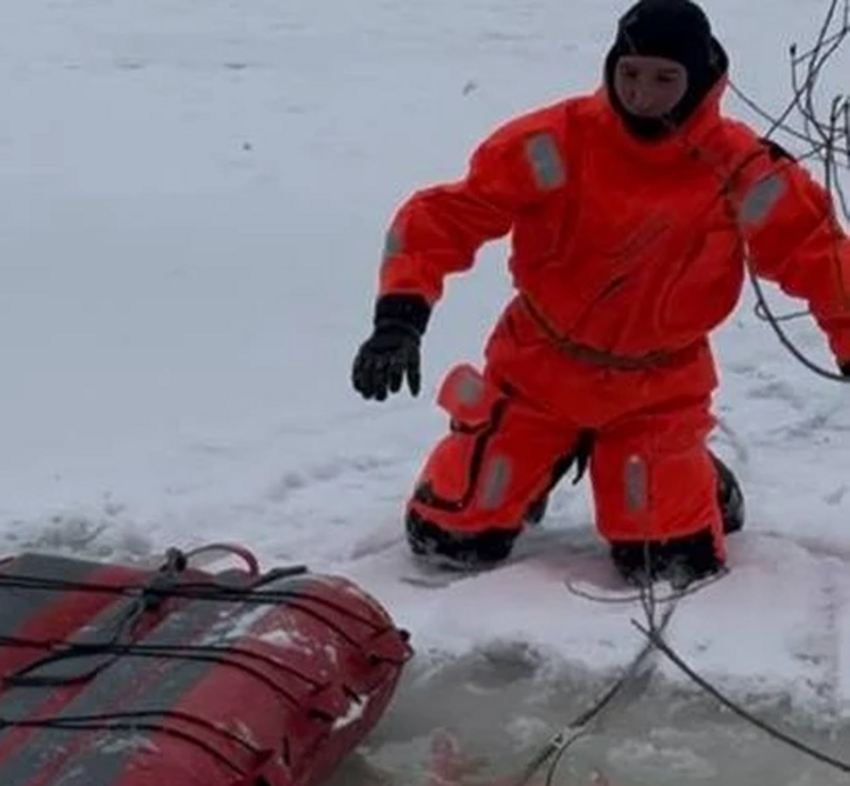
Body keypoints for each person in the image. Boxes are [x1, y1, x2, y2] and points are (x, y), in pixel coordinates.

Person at [351, 0, 850, 585]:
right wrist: (400, 318)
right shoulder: (554, 142)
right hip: (538, 371)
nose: (642, 93)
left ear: (703, 80)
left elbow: (818, 254)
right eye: (630, 74)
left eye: (665, 79)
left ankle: (698, 476)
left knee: (665, 563)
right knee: (448, 539)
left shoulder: (741, 168)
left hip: (657, 388)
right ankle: (540, 459)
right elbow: (443, 219)